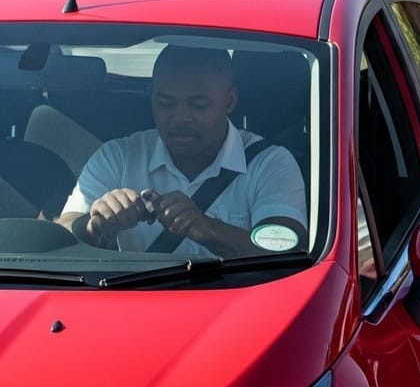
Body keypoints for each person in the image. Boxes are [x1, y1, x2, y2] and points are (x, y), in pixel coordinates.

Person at [59, 44, 307, 258]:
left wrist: (207, 229)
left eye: (198, 105)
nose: (179, 117)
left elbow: (288, 252)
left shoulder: (270, 163)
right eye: (165, 103)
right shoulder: (118, 157)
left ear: (229, 101)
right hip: (134, 305)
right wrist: (94, 226)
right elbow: (58, 235)